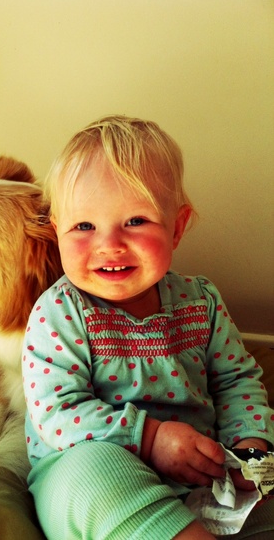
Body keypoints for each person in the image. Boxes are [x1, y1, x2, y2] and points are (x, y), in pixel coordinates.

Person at [22, 115, 274, 539]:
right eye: (83, 226)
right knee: (94, 473)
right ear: (56, 232)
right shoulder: (59, 312)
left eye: (135, 221)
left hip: (203, 477)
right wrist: (150, 438)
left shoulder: (201, 301)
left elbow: (236, 381)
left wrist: (250, 448)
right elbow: (57, 413)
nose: (109, 245)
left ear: (177, 227)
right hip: (92, 468)